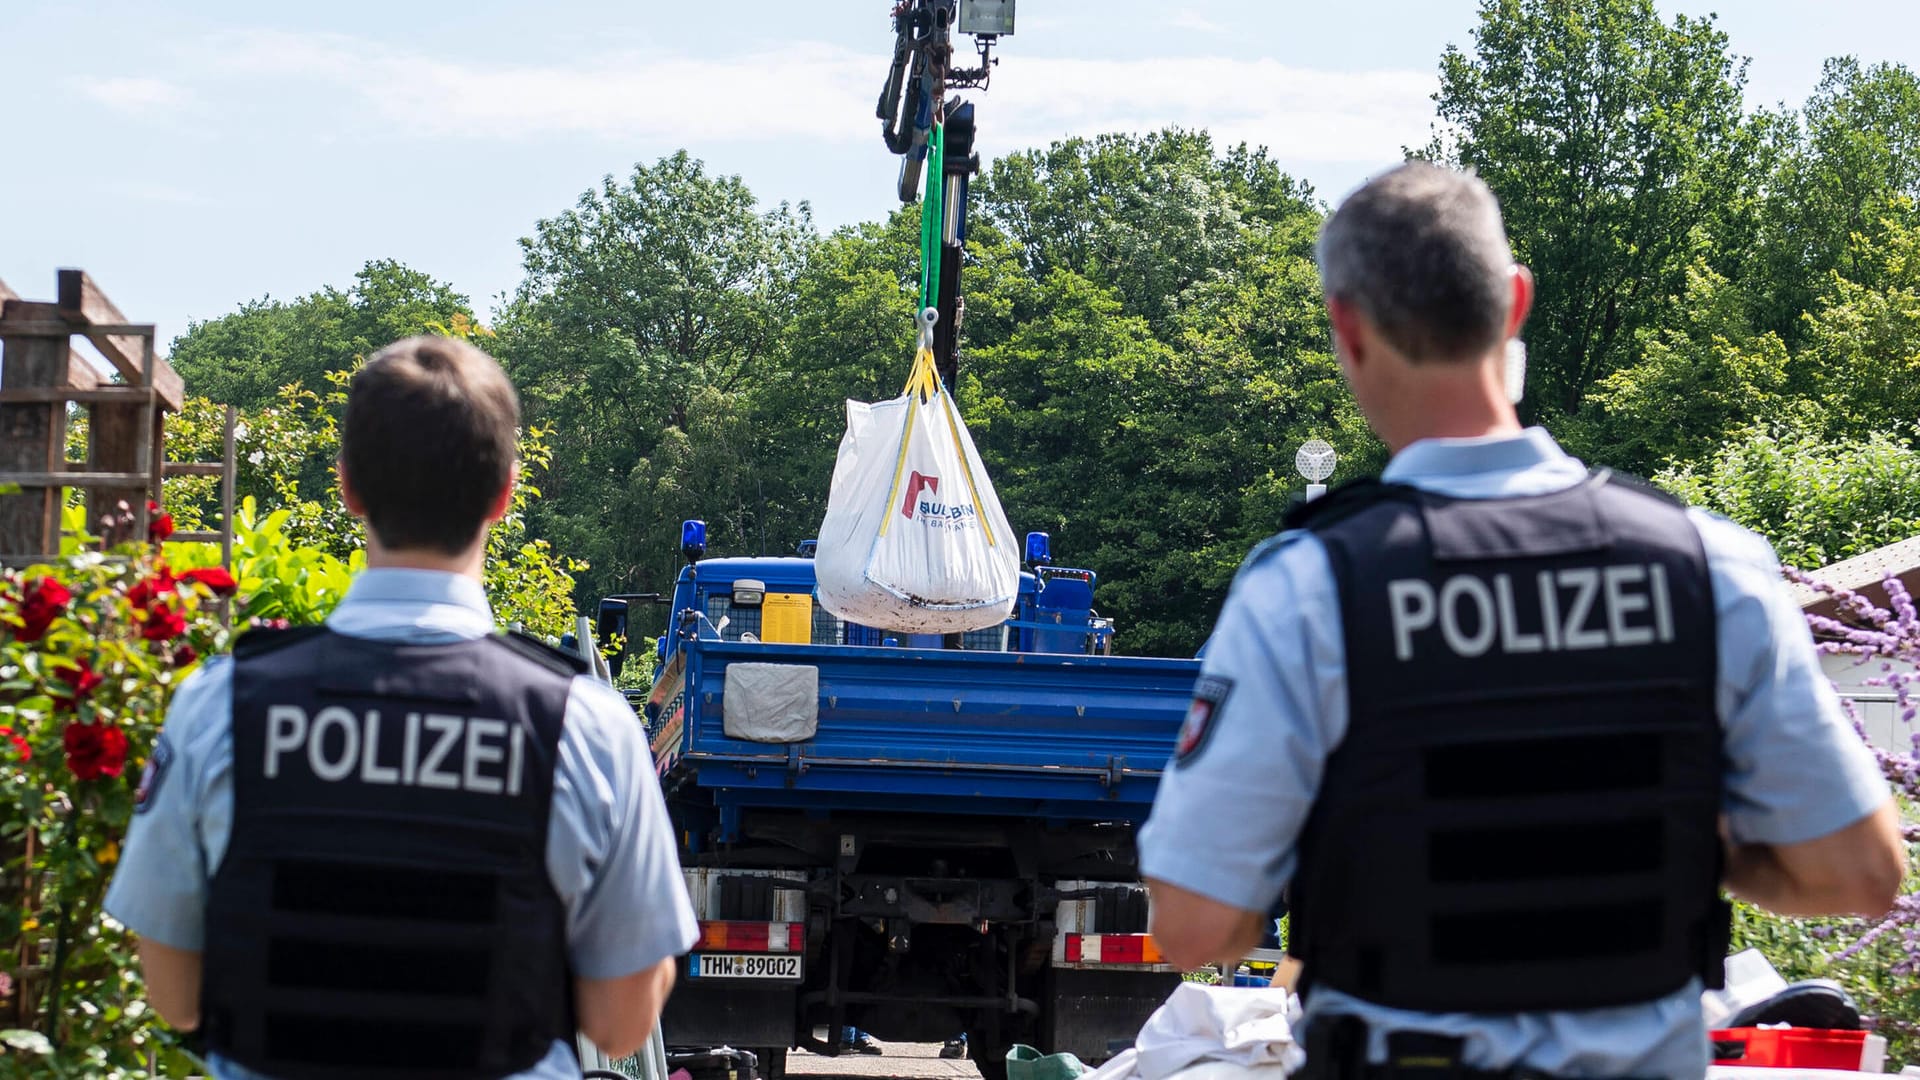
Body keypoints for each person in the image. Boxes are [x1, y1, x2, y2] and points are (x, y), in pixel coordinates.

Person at [1139, 162, 1907, 1079]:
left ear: (1347, 327)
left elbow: (1193, 930)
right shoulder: (1708, 567)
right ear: (1516, 302)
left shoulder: (1308, 587)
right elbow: (1861, 875)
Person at [104, 336, 699, 1078]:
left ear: (349, 486)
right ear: (505, 495)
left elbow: (173, 998)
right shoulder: (586, 726)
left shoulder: (220, 705)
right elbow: (619, 1025)